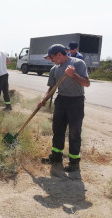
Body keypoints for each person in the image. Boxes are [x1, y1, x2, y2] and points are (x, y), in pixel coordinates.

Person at [40, 44, 90, 172]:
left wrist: (73, 75)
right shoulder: (54, 69)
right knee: (57, 130)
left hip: (76, 101)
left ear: (59, 55)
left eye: (51, 58)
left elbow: (86, 83)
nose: (51, 60)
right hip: (61, 100)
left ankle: (74, 161)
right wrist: (43, 100)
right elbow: (51, 88)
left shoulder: (78, 63)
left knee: (74, 132)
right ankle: (56, 156)